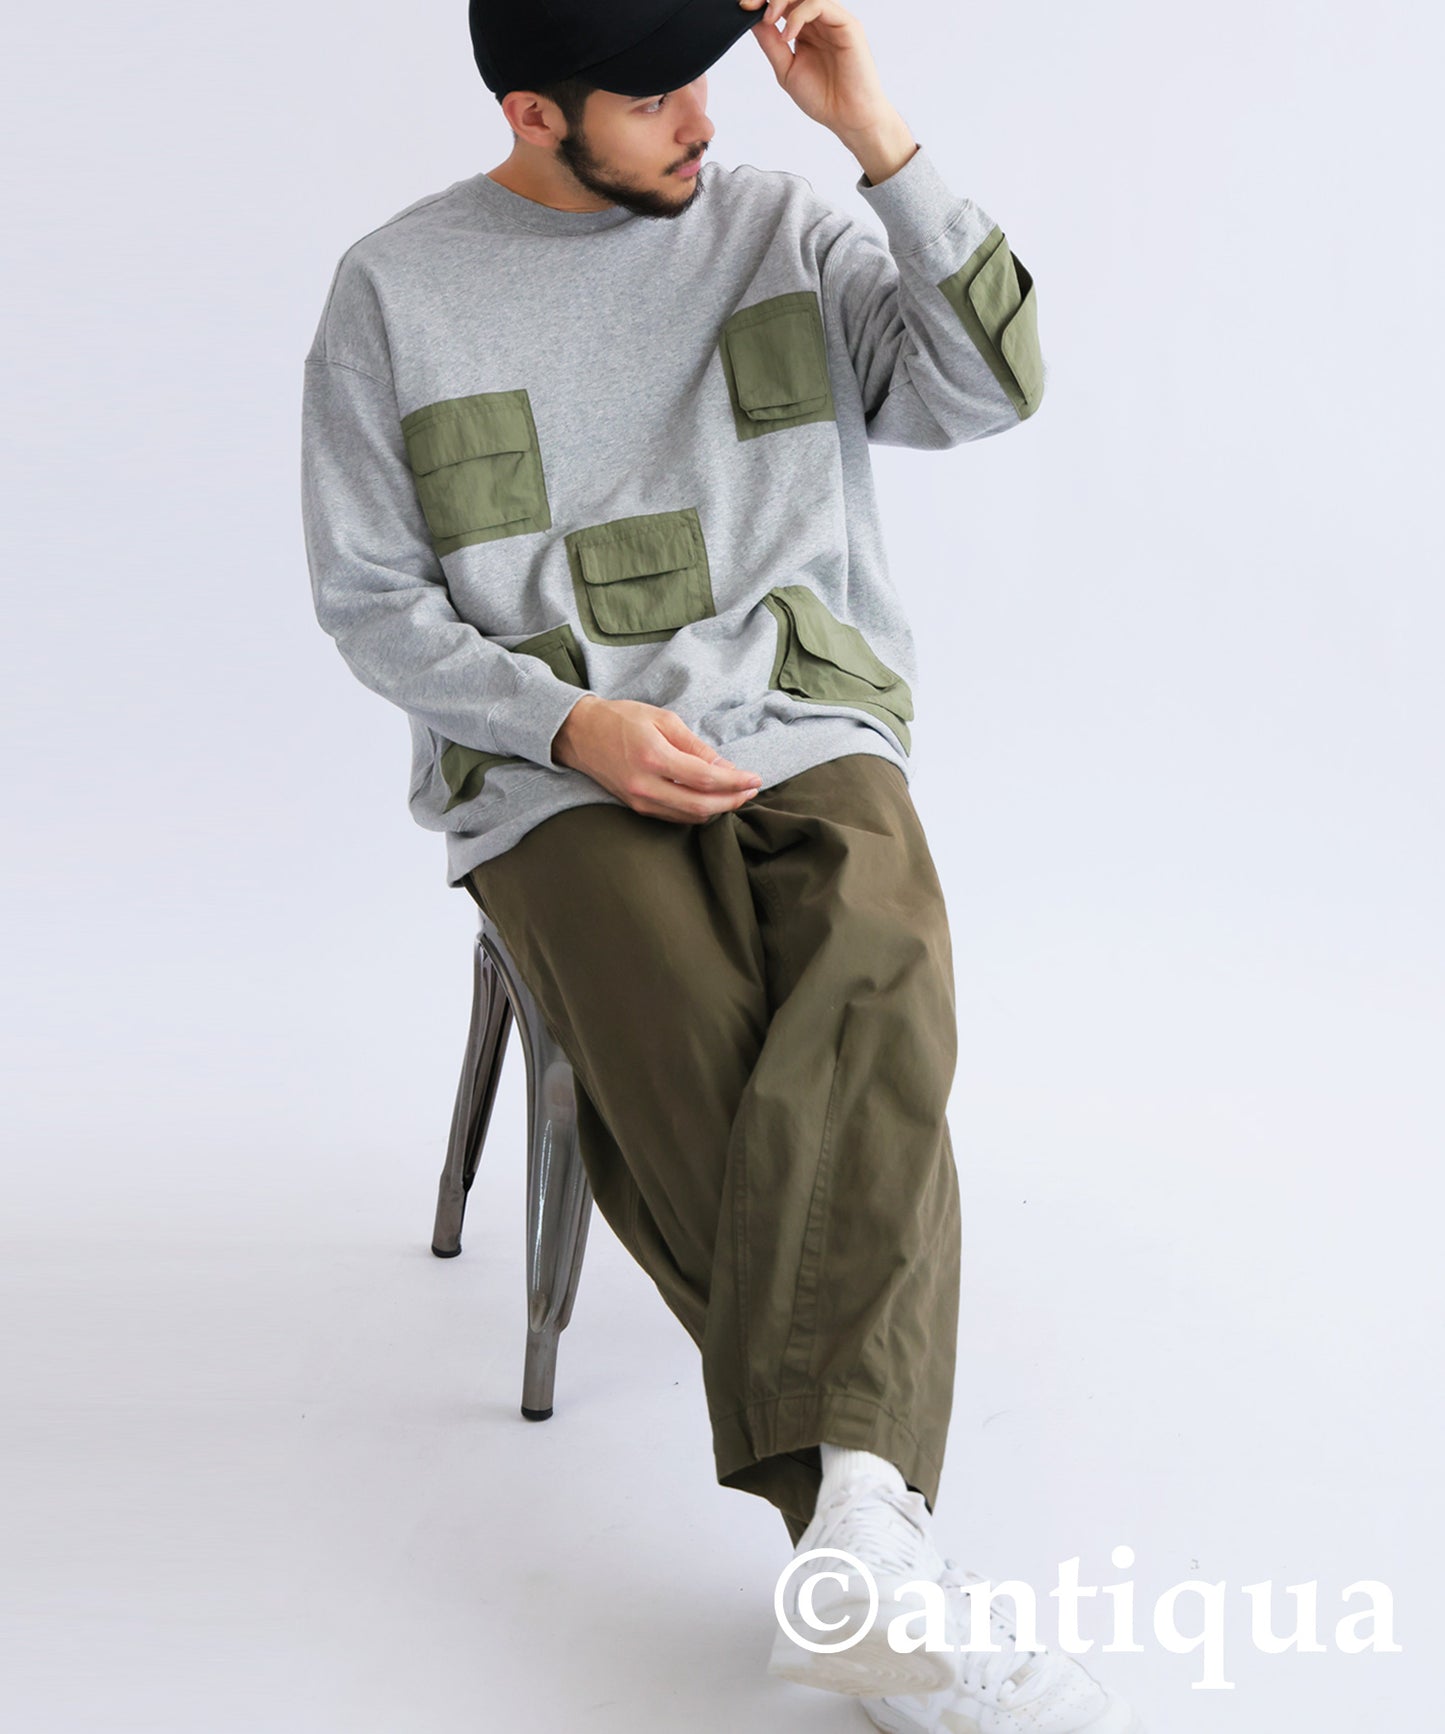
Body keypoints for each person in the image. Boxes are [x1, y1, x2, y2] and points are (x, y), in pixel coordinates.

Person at [300, 2, 1142, 1728]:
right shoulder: (394, 290)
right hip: (549, 763)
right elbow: (371, 601)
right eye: (650, 96)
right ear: (535, 113)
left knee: (878, 970)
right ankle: (874, 1541)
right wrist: (568, 726)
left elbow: (991, 389)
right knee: (688, 1037)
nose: (698, 117)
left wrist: (873, 134)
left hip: (799, 710)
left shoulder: (781, 222)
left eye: (701, 78)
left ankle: (858, 1540)